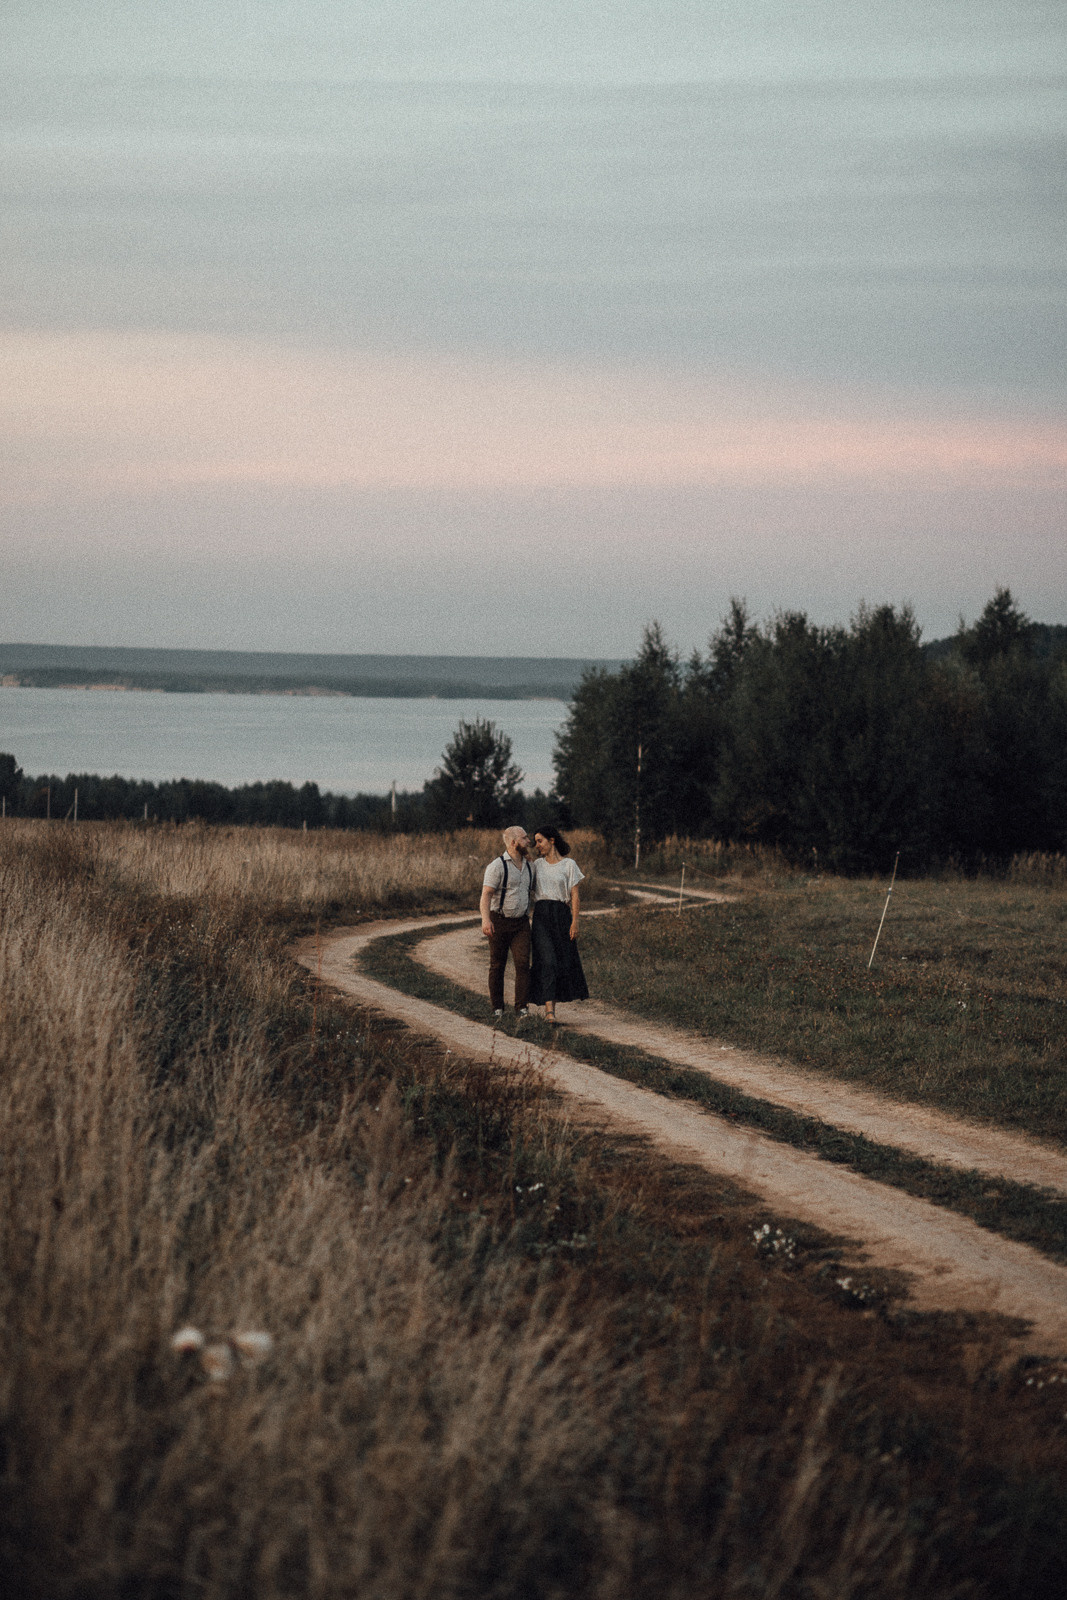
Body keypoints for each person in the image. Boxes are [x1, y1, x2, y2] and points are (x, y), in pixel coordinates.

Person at [529, 826, 589, 1022]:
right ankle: (549, 1012)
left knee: (560, 962)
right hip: (541, 915)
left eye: (540, 841)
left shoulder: (569, 865)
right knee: (547, 961)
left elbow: (575, 895)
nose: (537, 845)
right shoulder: (537, 865)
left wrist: (575, 922)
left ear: (552, 840)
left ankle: (552, 1009)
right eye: (535, 842)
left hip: (561, 915)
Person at [479, 825, 534, 1019]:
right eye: (524, 838)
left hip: (521, 924)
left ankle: (521, 1008)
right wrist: (486, 920)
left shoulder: (530, 866)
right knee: (497, 965)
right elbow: (486, 894)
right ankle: (497, 1008)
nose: (528, 841)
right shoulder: (497, 866)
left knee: (523, 964)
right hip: (499, 921)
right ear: (513, 842)